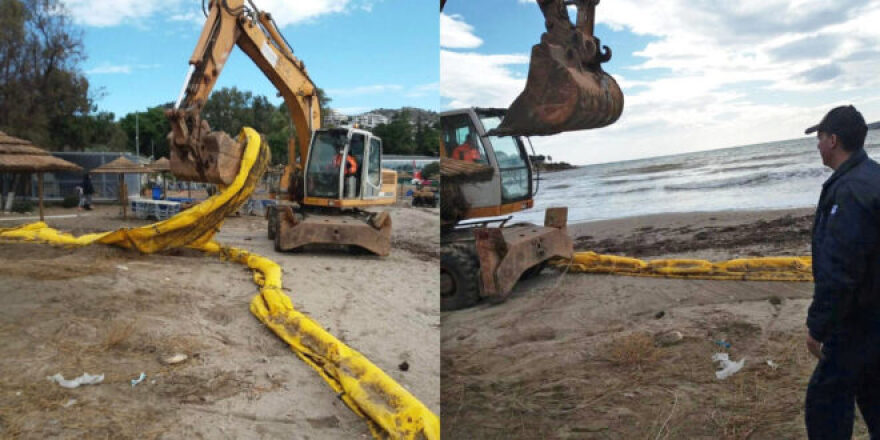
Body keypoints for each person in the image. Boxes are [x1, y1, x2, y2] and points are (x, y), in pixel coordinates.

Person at [803, 105, 880, 439]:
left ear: (833, 140)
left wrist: (818, 327)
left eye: (819, 138)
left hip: (855, 322)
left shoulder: (849, 191)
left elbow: (840, 271)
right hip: (874, 319)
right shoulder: (872, 176)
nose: (817, 146)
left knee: (825, 404)